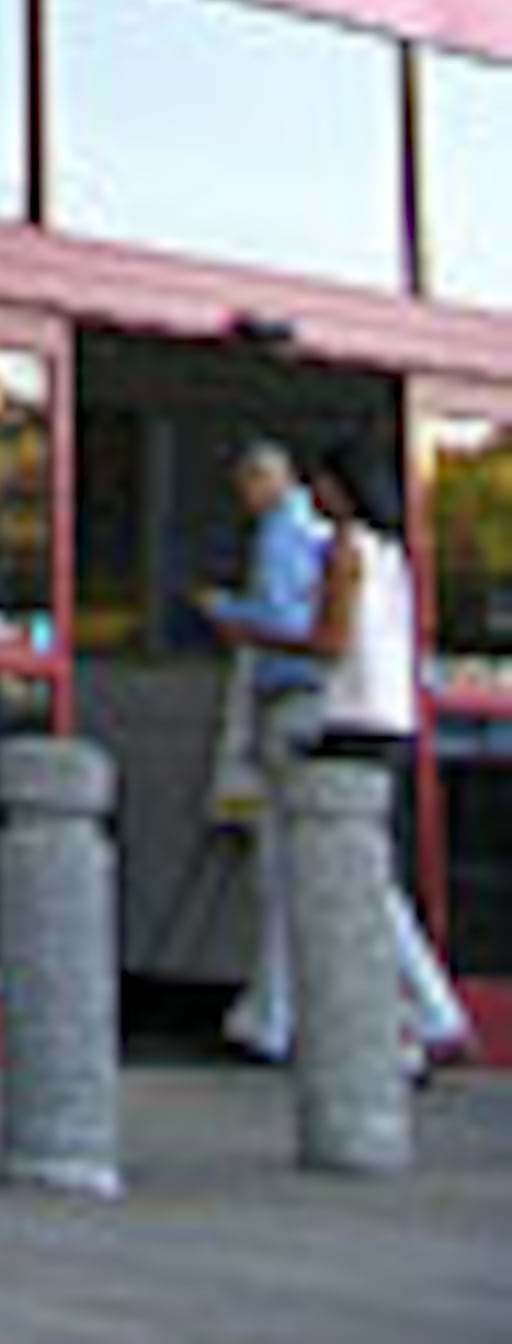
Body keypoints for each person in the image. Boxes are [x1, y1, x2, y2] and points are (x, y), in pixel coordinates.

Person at [297, 439, 470, 1077]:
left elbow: (329, 639)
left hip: (351, 718)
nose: (312, 497)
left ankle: (428, 1009)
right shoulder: (395, 556)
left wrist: (252, 628)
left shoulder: (343, 550)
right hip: (391, 718)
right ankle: (411, 1016)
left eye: (318, 484)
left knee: (359, 878)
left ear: (340, 489)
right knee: (367, 872)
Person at [195, 434, 332, 1065]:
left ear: (266, 480)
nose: (243, 501)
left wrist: (224, 610)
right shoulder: (322, 535)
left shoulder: (282, 534)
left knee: (282, 864)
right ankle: (270, 1012)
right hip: (325, 704)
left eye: (245, 486)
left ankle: (273, 1017)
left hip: (290, 701)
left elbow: (281, 621)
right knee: (298, 862)